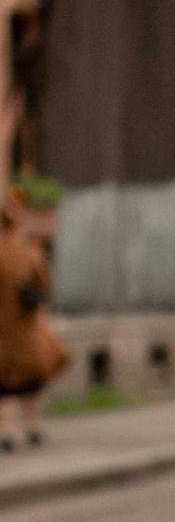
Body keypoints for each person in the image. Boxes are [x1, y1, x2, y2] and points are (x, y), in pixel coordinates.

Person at [0, 190, 67, 456]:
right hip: (25, 328)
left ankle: (4, 432)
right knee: (30, 382)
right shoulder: (29, 251)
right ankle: (32, 428)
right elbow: (44, 286)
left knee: (3, 386)